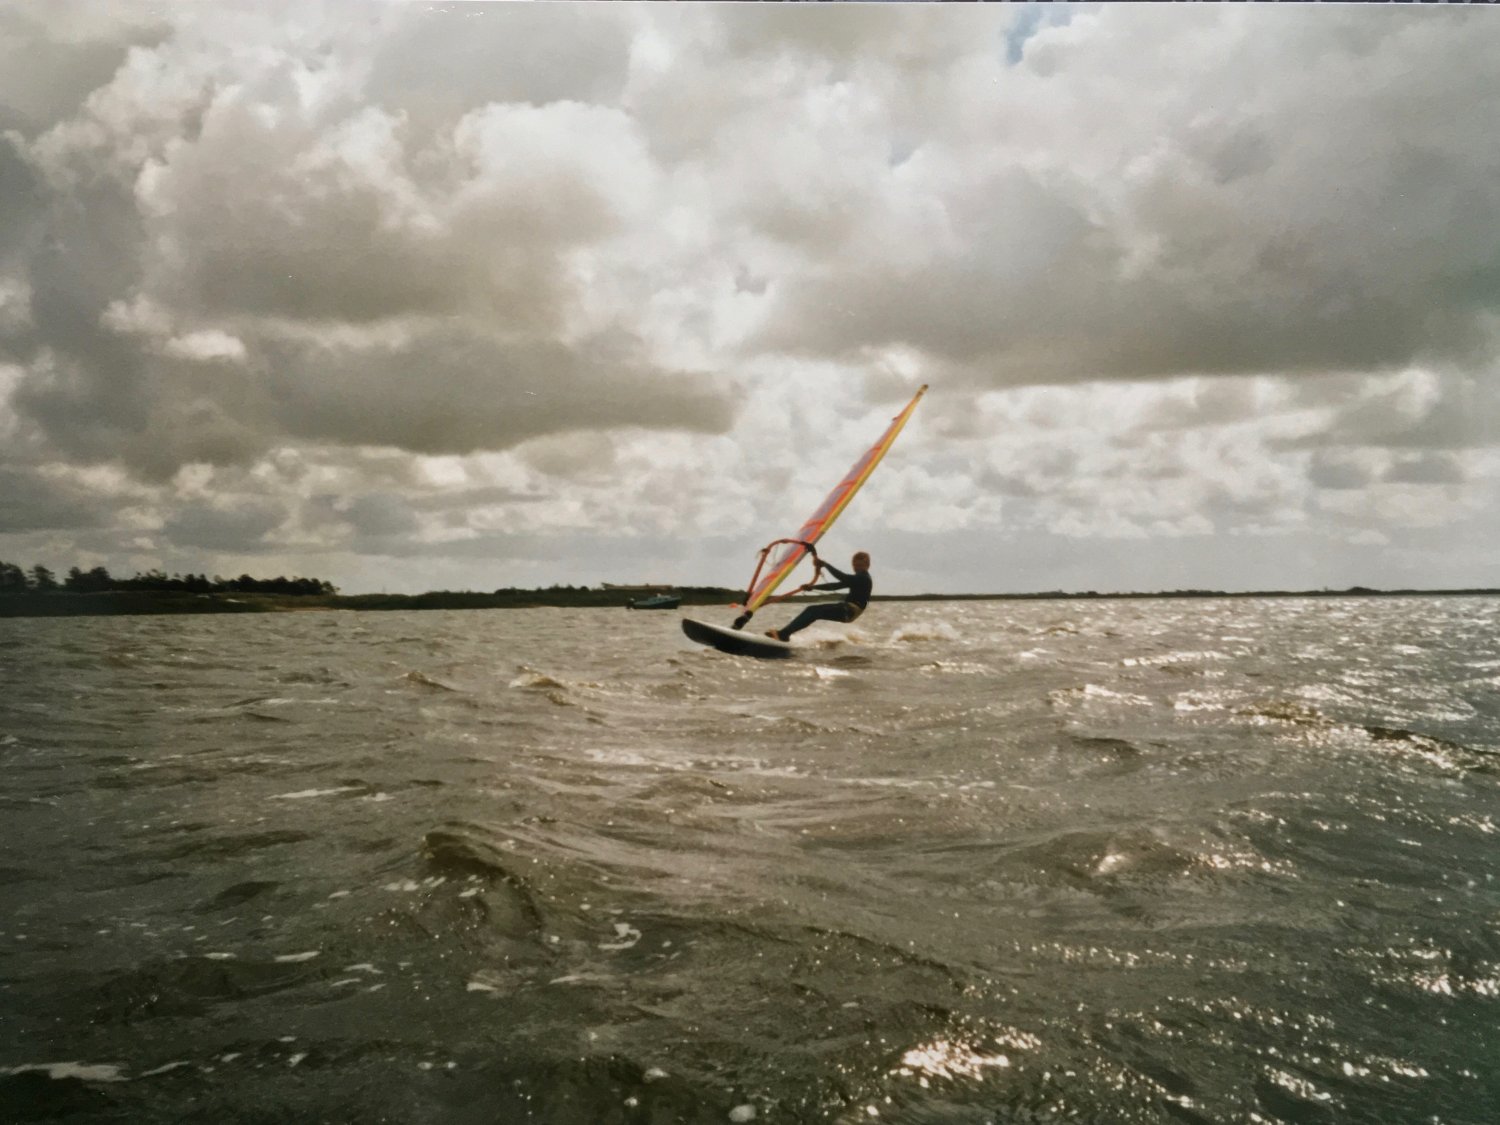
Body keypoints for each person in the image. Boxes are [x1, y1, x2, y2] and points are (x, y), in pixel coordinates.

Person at [765, 550, 872, 642]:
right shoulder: (857, 578)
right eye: (855, 565)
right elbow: (835, 586)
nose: (857, 568)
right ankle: (784, 634)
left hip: (850, 611)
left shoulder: (864, 578)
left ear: (867, 565)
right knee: (812, 611)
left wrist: (825, 564)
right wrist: (813, 587)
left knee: (812, 611)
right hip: (847, 610)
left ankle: (784, 634)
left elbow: (843, 577)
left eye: (860, 566)